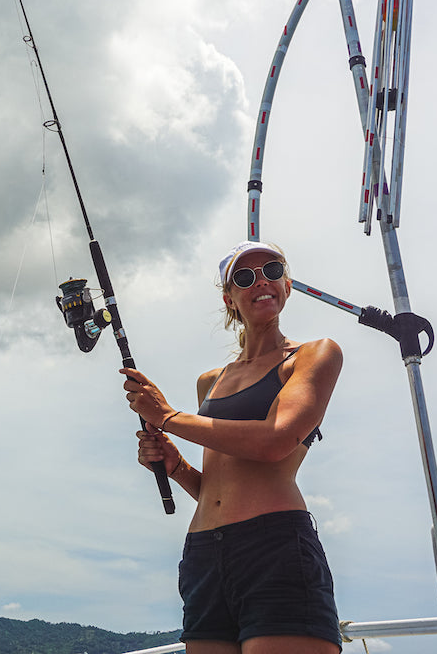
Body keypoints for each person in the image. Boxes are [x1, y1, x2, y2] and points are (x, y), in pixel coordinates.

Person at [122, 241, 343, 654]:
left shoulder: (314, 355)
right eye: (245, 277)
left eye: (272, 271)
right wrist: (177, 467)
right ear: (230, 299)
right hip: (204, 554)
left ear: (287, 284)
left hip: (273, 547)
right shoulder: (211, 380)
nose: (261, 281)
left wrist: (168, 417)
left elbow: (276, 440)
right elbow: (221, 487)